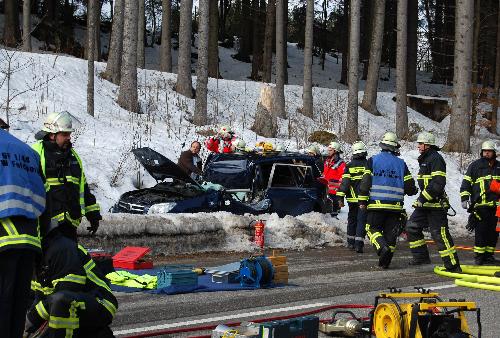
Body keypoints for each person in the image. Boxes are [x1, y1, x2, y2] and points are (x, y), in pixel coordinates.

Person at [0, 128, 46, 338]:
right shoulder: (27, 151)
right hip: (29, 238)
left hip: (3, 237)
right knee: (17, 305)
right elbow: (41, 194)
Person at [31, 111, 102, 242]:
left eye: (69, 134)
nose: (69, 137)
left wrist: (93, 214)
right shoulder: (35, 153)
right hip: (44, 225)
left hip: (69, 225)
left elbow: (83, 189)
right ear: (52, 135)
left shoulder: (73, 157)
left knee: (70, 260)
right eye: (65, 134)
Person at [25, 238, 118, 337]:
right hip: (71, 306)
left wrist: (32, 318)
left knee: (60, 301)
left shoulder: (63, 249)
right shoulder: (34, 258)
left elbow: (66, 293)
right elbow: (34, 298)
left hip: (100, 302)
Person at [358, 132, 417, 268]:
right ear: (395, 147)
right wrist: (414, 190)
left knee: (371, 229)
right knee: (391, 234)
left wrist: (362, 201)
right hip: (395, 207)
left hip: (377, 205)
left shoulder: (373, 160)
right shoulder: (401, 164)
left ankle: (381, 248)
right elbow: (410, 188)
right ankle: (385, 262)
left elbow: (365, 183)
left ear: (383, 145)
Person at [407, 131, 461, 272]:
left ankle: (453, 266)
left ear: (427, 145)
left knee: (440, 234)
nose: (418, 146)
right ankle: (421, 257)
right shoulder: (425, 159)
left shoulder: (436, 159)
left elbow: (437, 184)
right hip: (425, 205)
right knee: (412, 226)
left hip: (436, 205)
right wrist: (423, 199)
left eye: (420, 143)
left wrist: (422, 198)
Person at [460, 140, 500, 265]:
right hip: (480, 206)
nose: (487, 153)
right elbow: (466, 183)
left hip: (496, 207)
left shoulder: (499, 167)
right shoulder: (475, 165)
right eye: (485, 151)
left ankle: (489, 256)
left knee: (493, 233)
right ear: (481, 152)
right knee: (481, 232)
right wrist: (464, 198)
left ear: (494, 153)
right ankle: (479, 257)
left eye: (489, 151)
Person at [337, 141, 369, 253]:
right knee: (361, 220)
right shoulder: (369, 165)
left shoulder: (349, 166)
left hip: (352, 199)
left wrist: (340, 198)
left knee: (352, 220)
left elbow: (345, 184)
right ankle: (358, 245)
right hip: (364, 200)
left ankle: (350, 243)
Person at [323, 141, 346, 217]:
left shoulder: (341, 164)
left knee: (333, 217)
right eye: (328, 150)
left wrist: (333, 184)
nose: (328, 152)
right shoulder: (327, 161)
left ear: (335, 151)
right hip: (326, 192)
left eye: (330, 150)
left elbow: (343, 180)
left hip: (335, 194)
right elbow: (324, 174)